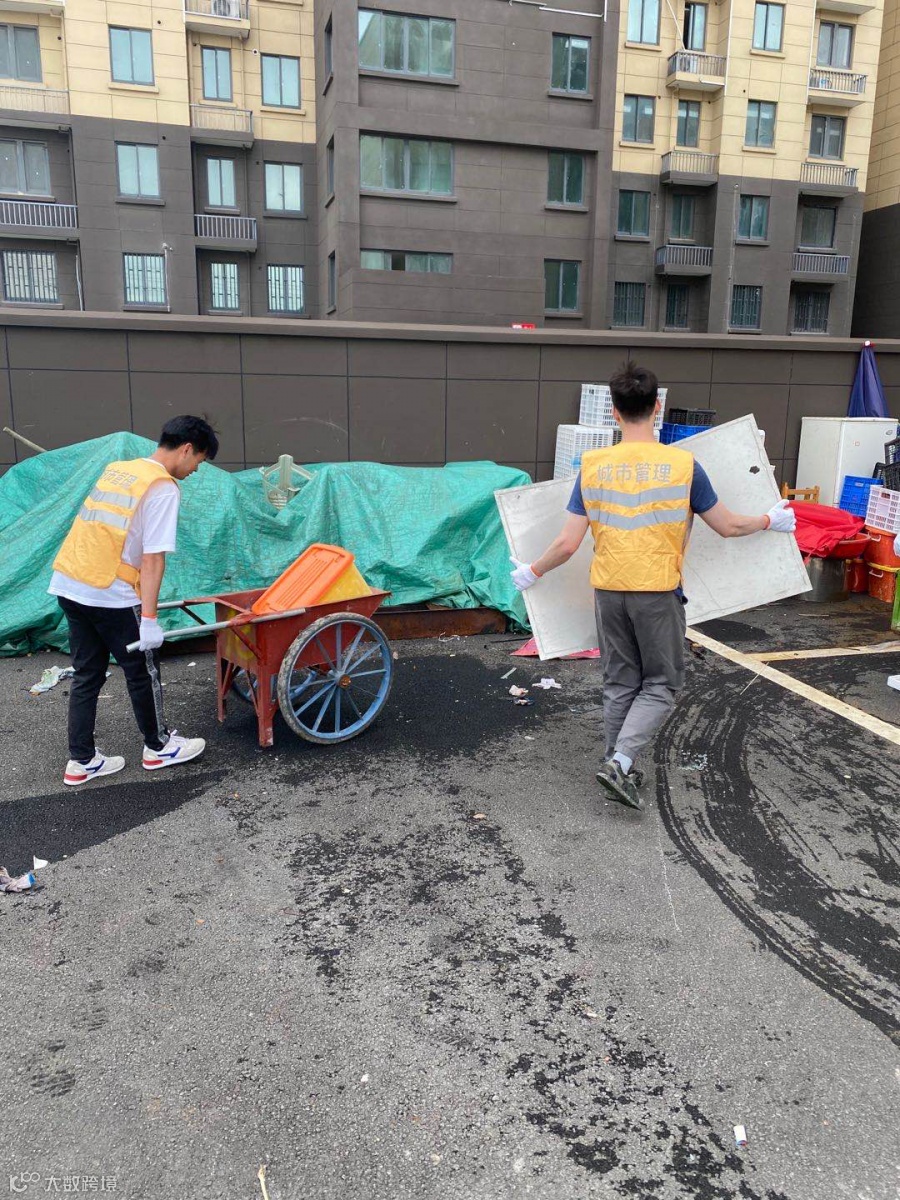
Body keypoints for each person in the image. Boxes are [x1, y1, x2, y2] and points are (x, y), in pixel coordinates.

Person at [510, 362, 797, 812]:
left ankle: (617, 763)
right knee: (661, 683)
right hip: (657, 592)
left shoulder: (594, 466)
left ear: (614, 411)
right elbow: (727, 526)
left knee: (620, 680)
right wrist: (769, 520)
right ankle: (620, 763)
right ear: (657, 407)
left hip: (608, 592)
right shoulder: (684, 466)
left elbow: (567, 544)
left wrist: (532, 571)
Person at [49, 416, 219, 786]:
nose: (195, 470)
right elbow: (153, 558)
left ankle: (81, 761)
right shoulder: (162, 487)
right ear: (187, 449)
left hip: (71, 581)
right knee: (143, 670)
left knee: (87, 674)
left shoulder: (120, 470)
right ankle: (159, 747)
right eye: (199, 461)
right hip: (111, 592)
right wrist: (150, 619)